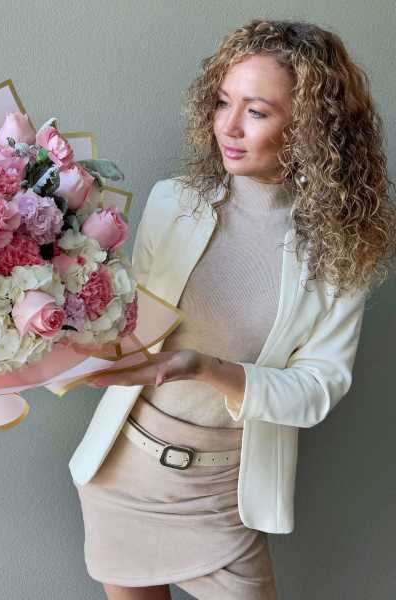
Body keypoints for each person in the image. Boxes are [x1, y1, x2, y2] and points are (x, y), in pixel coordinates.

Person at [71, 19, 396, 600]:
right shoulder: (172, 203)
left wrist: (205, 368)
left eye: (257, 111)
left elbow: (318, 389)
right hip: (124, 469)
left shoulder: (343, 250)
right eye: (223, 102)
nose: (228, 126)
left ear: (311, 127)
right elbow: (127, 325)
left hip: (225, 492)